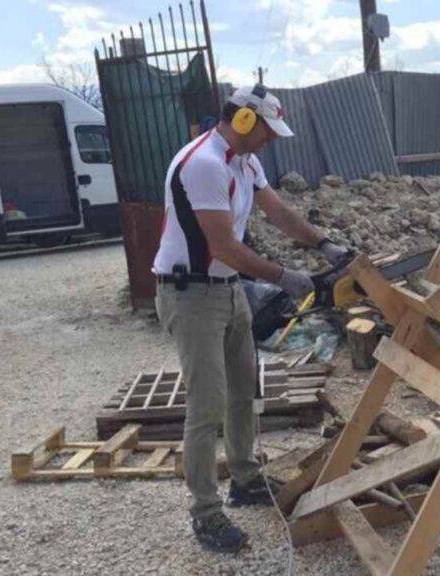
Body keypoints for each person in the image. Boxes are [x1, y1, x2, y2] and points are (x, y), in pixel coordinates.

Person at [152, 85, 349, 553]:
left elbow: (276, 210)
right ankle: (206, 512)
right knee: (207, 405)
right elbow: (223, 247)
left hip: (226, 288)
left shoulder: (245, 160)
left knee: (244, 389)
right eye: (266, 131)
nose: (270, 140)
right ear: (243, 121)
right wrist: (285, 276)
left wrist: (323, 243)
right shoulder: (203, 165)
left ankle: (243, 478)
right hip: (190, 293)